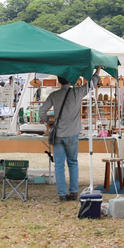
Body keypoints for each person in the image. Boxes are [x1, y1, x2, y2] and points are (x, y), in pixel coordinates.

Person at [40, 71, 101, 201]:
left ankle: (62, 194)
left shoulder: (54, 95)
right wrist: (98, 71)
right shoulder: (77, 92)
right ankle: (73, 192)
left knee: (59, 165)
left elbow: (41, 111)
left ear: (58, 81)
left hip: (58, 134)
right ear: (71, 80)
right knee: (73, 162)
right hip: (72, 133)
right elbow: (92, 84)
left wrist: (48, 122)